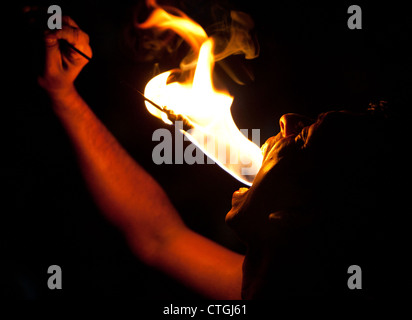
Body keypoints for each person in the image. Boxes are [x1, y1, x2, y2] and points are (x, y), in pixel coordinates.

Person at [38, 17, 404, 299]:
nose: (288, 119)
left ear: (294, 215)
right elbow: (159, 237)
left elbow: (159, 238)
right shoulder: (261, 290)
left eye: (305, 140)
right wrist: (63, 94)